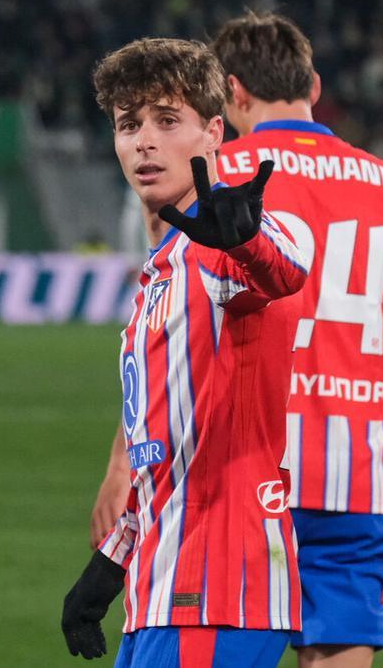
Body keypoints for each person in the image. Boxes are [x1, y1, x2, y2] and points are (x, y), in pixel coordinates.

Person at [212, 13, 383, 666]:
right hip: (353, 481)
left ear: (233, 91)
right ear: (314, 85)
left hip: (238, 474)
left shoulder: (216, 174)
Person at [62, 38, 309, 666]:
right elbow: (166, 459)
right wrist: (109, 566)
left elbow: (288, 270)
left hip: (218, 591)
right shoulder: (159, 273)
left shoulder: (221, 248)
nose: (144, 141)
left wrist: (244, 236)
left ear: (214, 133)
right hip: (164, 589)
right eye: (128, 125)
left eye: (166, 121)